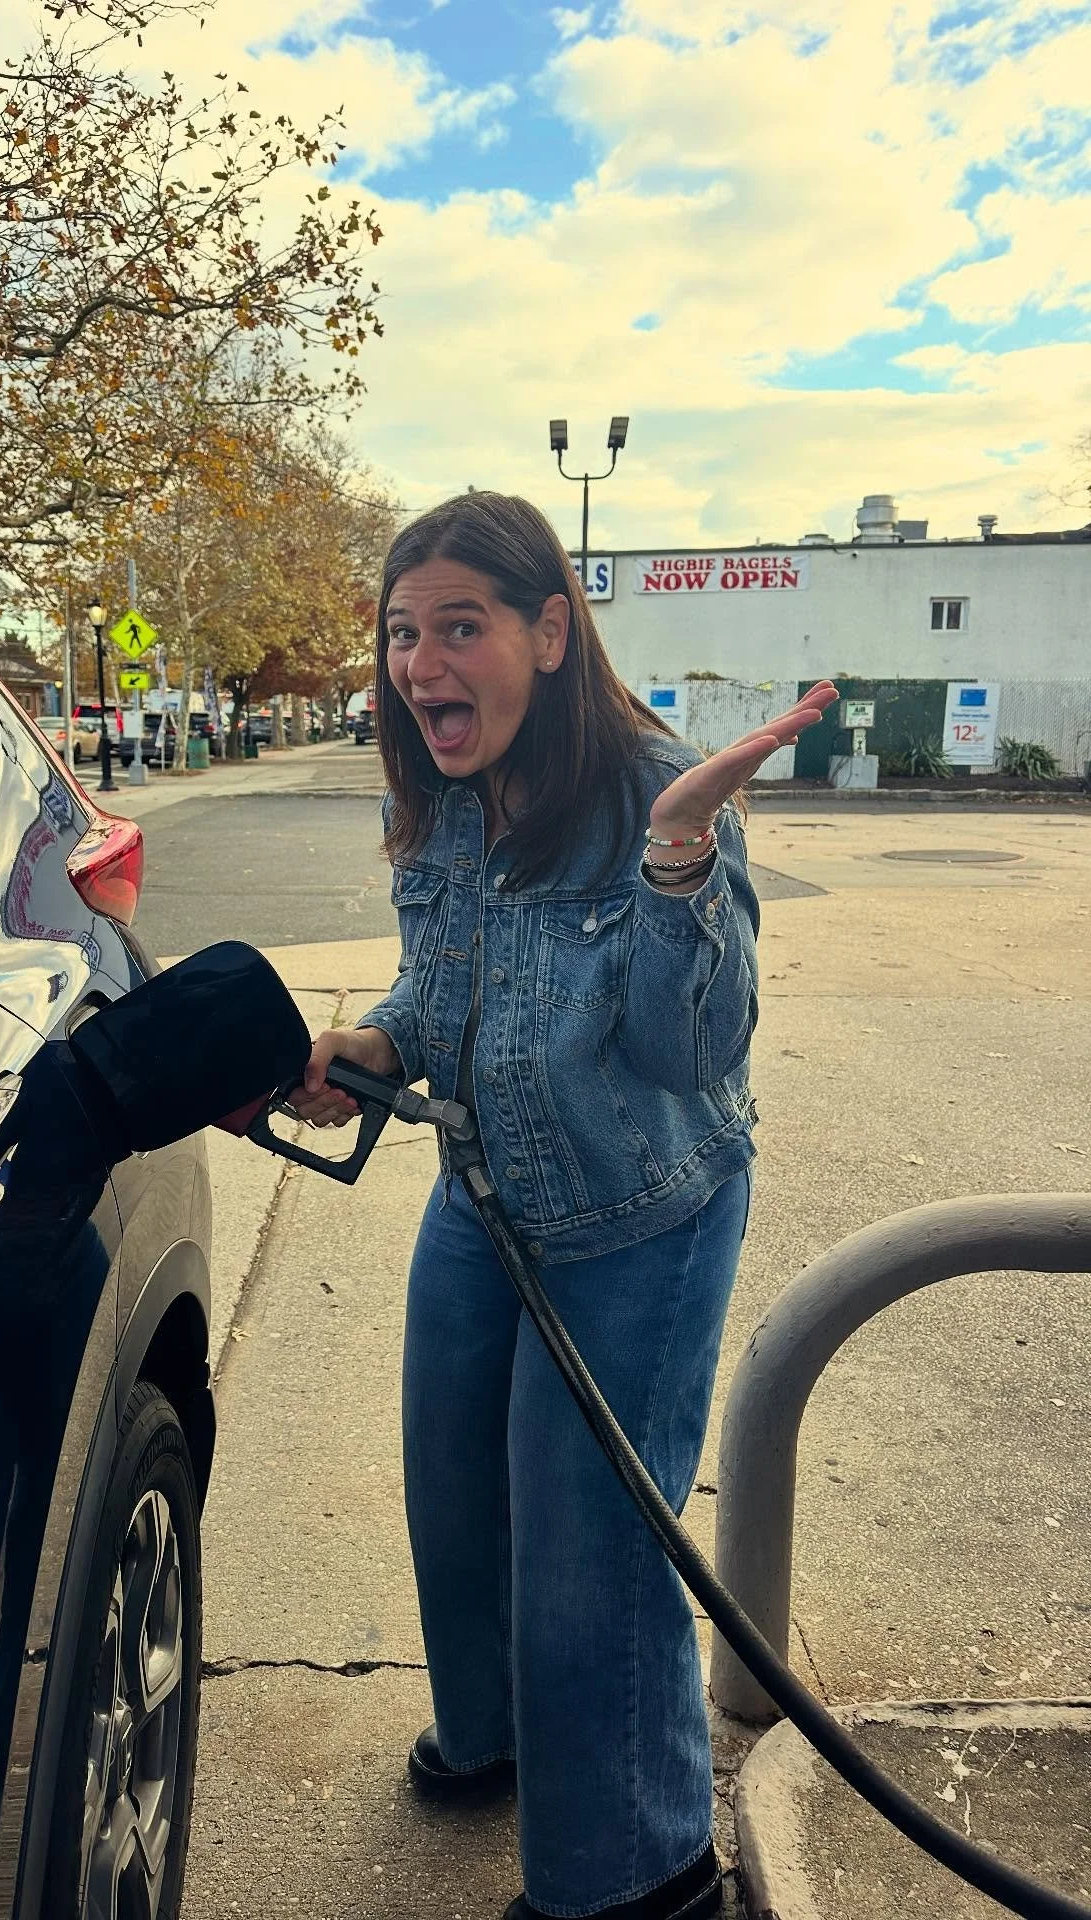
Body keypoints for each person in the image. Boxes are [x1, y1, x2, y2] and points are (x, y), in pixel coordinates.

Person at [291, 491, 835, 1920]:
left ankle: (637, 1870)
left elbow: (690, 1051)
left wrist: (677, 857)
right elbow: (439, 990)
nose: (421, 665)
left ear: (548, 632)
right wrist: (374, 1044)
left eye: (458, 628)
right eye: (402, 633)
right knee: (456, 1488)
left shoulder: (656, 789)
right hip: (483, 1198)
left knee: (589, 1553)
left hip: (639, 1217)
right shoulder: (437, 793)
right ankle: (499, 1737)